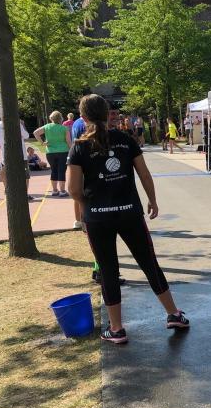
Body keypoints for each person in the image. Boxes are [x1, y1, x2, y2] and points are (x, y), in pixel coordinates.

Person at [67, 94, 189, 344]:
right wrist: (152, 200)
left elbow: (73, 189)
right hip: (129, 212)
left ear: (83, 117)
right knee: (149, 262)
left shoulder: (79, 146)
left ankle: (117, 328)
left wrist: (86, 209)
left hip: (97, 218)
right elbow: (144, 174)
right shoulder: (126, 140)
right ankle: (174, 314)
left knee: (108, 270)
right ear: (108, 113)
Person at [0, 118, 34, 201]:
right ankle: (24, 194)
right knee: (25, 175)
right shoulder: (17, 123)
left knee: (4, 171)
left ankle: (8, 190)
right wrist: (22, 124)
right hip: (20, 154)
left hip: (6, 154)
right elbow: (26, 135)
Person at [34, 110, 72, 197]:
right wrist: (72, 151)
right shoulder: (64, 128)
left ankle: (54, 190)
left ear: (51, 118)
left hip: (50, 152)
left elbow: (35, 133)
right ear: (60, 118)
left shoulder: (47, 126)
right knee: (62, 171)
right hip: (63, 152)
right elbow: (69, 142)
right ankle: (62, 191)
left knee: (54, 170)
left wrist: (42, 143)